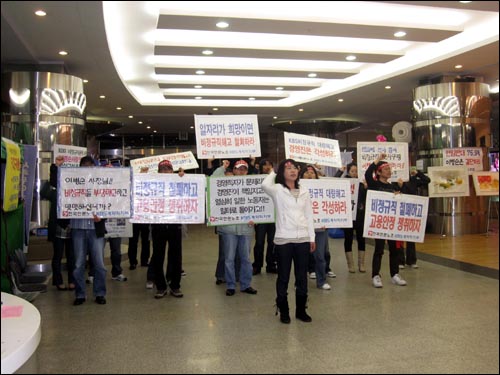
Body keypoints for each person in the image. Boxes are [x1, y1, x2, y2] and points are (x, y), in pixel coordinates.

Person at [262, 159, 316, 324]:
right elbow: (264, 185)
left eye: (294, 168)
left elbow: (308, 215)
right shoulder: (277, 190)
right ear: (282, 173)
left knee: (301, 277)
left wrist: (311, 237)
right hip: (284, 239)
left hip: (303, 239)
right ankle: (283, 309)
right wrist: (274, 171)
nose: (292, 171)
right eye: (288, 168)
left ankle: (301, 310)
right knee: (283, 277)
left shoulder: (304, 191)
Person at [364, 153, 406, 288]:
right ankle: (376, 275)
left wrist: (399, 190)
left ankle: (395, 274)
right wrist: (377, 159)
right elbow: (367, 173)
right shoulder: (373, 184)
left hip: (391, 223)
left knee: (394, 249)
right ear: (379, 172)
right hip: (379, 223)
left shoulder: (392, 187)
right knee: (379, 249)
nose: (389, 171)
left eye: (390, 169)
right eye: (386, 169)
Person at [216, 160, 258, 296]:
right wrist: (223, 167)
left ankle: (246, 284)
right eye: (238, 169)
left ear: (247, 171)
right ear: (233, 170)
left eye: (244, 169)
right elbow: (213, 181)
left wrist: (257, 219)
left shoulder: (252, 186)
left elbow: (260, 204)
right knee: (229, 258)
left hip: (246, 228)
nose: (241, 171)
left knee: (245, 258)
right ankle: (230, 285)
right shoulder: (225, 183)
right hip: (228, 228)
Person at [72, 156, 107, 305]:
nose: (87, 170)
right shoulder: (72, 184)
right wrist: (56, 167)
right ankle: (80, 294)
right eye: (84, 167)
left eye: (90, 167)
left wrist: (103, 216)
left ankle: (100, 293)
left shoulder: (101, 185)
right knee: (78, 264)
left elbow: (111, 202)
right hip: (78, 227)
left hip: (95, 228)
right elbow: (58, 186)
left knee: (99, 263)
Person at [151, 160, 184, 299]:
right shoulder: (152, 184)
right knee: (158, 256)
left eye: (168, 169)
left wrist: (184, 178)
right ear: (159, 171)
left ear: (172, 171)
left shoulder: (179, 182)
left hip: (175, 224)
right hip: (158, 225)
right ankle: (160, 286)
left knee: (176, 256)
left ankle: (175, 285)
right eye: (163, 169)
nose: (165, 172)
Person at [45, 155, 75, 291]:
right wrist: (56, 167)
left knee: (71, 256)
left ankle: (72, 280)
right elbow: (50, 184)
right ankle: (58, 281)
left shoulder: (74, 192)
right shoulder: (55, 192)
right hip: (58, 226)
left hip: (71, 226)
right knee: (57, 255)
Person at [299, 165, 330, 290]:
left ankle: (321, 281)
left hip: (319, 227)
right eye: (306, 172)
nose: (310, 174)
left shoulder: (323, 188)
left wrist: (327, 220)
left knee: (320, 256)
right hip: (302, 227)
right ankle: (300, 283)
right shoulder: (297, 189)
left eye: (312, 172)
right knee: (301, 256)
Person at [336, 163, 368, 273]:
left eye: (356, 171)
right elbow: (333, 182)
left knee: (361, 239)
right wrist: (340, 171)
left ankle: (361, 264)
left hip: (359, 215)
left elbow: (364, 198)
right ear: (348, 171)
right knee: (348, 239)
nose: (354, 173)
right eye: (352, 171)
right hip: (348, 216)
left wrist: (365, 188)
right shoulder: (344, 181)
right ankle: (350, 264)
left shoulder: (360, 182)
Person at [397, 168, 431, 269]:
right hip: (399, 211)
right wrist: (400, 186)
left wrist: (417, 173)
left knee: (411, 236)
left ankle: (411, 260)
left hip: (411, 211)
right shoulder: (394, 181)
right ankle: (400, 261)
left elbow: (427, 180)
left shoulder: (413, 180)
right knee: (399, 237)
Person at [252, 159, 277, 275]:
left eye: (269, 165)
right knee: (259, 242)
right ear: (260, 167)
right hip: (260, 217)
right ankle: (257, 265)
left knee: (272, 242)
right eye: (264, 165)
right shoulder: (255, 179)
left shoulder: (276, 179)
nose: (267, 167)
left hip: (273, 216)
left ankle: (271, 264)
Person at [128, 166, 151, 270]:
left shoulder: (150, 185)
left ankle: (144, 260)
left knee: (146, 240)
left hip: (145, 216)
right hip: (135, 216)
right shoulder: (133, 184)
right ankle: (133, 261)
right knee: (133, 240)